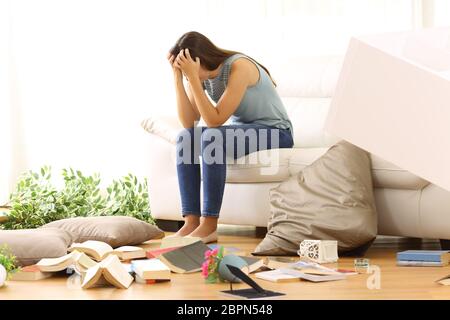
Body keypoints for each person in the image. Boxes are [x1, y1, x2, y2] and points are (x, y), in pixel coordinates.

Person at [167, 31, 293, 243]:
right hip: (242, 132)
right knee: (185, 138)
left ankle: (209, 226)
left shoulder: (239, 66)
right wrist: (179, 79)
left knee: (211, 137)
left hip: (276, 132)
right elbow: (190, 122)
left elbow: (214, 121)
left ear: (200, 60)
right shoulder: (200, 77)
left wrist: (194, 80)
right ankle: (191, 221)